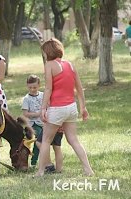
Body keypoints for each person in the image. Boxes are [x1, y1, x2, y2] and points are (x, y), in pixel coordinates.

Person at [35, 38, 94, 177]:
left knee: (46, 140)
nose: (44, 55)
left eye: (44, 52)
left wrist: (43, 108)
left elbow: (48, 89)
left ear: (48, 52)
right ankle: (88, 169)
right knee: (73, 140)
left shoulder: (49, 65)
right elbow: (79, 88)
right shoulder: (70, 64)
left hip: (57, 108)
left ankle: (40, 172)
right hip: (71, 108)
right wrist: (83, 108)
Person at [22, 74, 63, 173]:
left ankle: (42, 162)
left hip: (44, 123)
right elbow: (25, 113)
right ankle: (34, 161)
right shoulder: (26, 99)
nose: (32, 89)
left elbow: (49, 105)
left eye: (35, 87)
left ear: (39, 85)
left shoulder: (43, 95)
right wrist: (36, 114)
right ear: (27, 86)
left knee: (46, 143)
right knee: (38, 141)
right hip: (33, 124)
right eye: (30, 87)